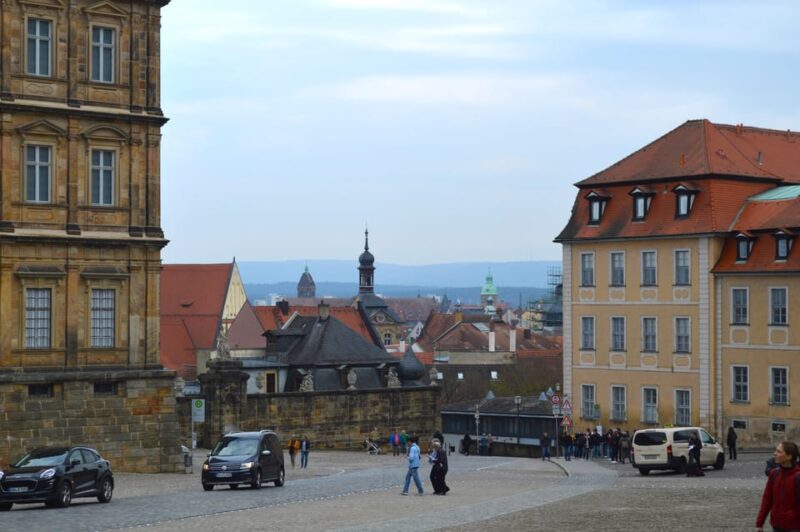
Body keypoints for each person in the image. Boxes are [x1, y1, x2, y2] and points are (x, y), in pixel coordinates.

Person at [756, 441, 800, 531]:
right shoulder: (774, 474)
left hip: (794, 527)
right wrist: (759, 523)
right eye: (776, 451)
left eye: (779, 452)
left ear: (789, 456)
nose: (775, 453)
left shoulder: (797, 477)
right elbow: (767, 500)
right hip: (776, 525)